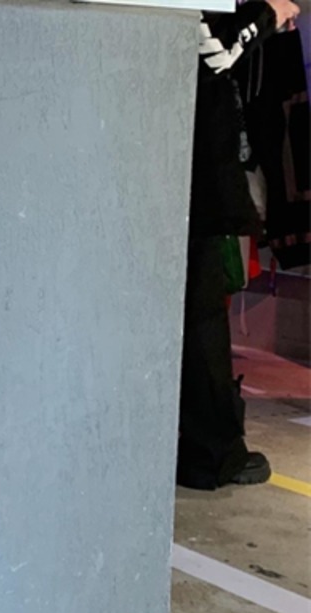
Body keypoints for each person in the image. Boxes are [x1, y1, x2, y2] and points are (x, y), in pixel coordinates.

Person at [177, 0, 300, 489]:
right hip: (192, 168)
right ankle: (211, 452)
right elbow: (213, 50)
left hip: (169, 157)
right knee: (200, 310)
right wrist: (268, 13)